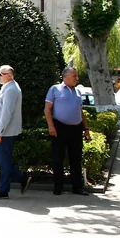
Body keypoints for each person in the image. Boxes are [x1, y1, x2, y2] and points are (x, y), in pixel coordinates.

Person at [45, 66, 92, 196]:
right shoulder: (55, 89)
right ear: (65, 76)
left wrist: (86, 128)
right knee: (58, 158)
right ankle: (58, 186)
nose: (77, 78)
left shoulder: (78, 92)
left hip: (76, 129)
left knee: (76, 158)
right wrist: (51, 126)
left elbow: (80, 111)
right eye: (74, 76)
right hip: (59, 127)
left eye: (77, 76)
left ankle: (77, 187)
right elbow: (47, 109)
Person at [0, 65, 29, 200]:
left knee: (4, 161)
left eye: (1, 74)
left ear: (10, 75)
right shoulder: (8, 87)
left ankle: (4, 190)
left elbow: (6, 113)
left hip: (6, 133)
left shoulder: (11, 90)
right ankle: (21, 178)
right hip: (4, 132)